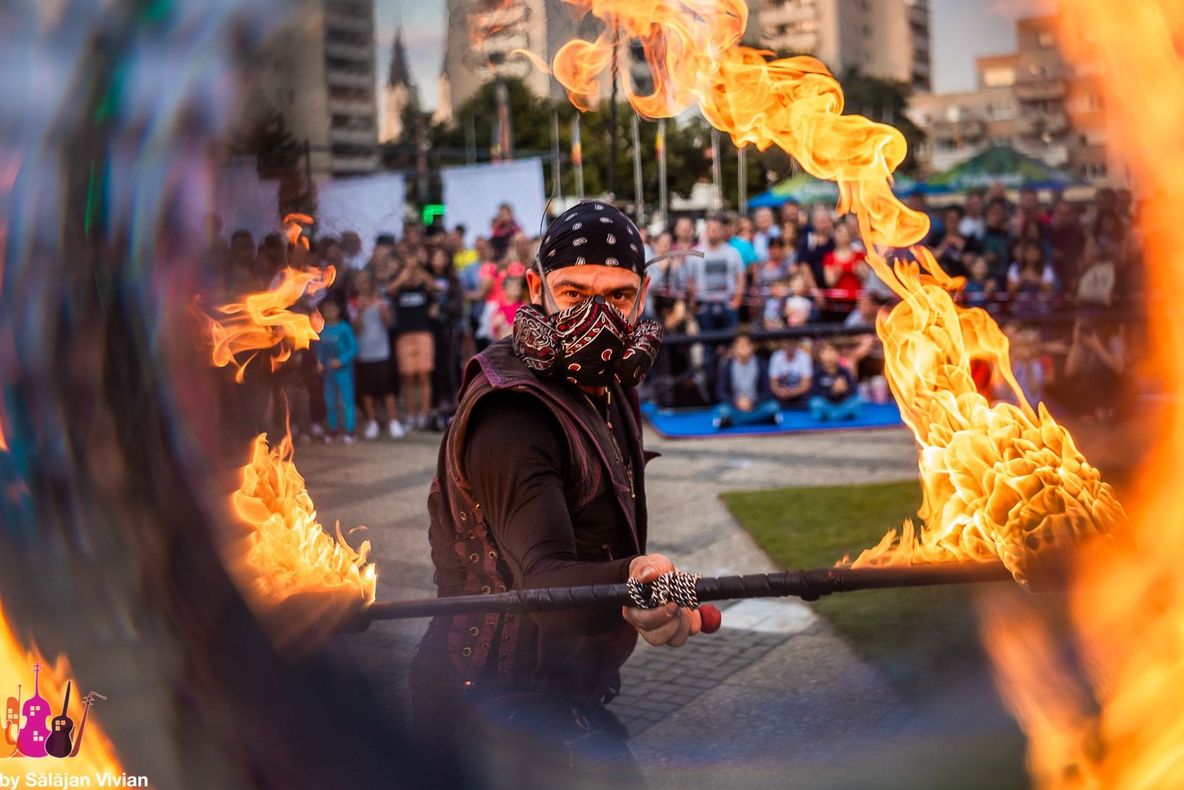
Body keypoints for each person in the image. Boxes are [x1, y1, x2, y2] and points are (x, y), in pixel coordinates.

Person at [411, 200, 700, 788]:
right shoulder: (513, 415)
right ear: (535, 287)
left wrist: (663, 595)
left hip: (564, 690)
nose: (598, 318)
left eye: (617, 297)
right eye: (573, 294)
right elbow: (543, 582)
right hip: (487, 702)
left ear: (642, 295)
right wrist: (651, 582)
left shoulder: (610, 383)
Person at [350, 270, 405, 440]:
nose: (363, 285)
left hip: (382, 352)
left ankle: (393, 421)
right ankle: (372, 422)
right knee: (367, 391)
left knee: (387, 389)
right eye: (360, 281)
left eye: (366, 281)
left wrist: (381, 309)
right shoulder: (353, 303)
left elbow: (389, 323)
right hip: (364, 353)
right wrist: (360, 310)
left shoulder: (382, 301)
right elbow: (355, 329)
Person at [389, 254, 437, 429]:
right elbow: (389, 290)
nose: (411, 271)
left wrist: (419, 272)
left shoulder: (424, 288)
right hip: (404, 335)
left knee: (424, 374)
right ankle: (410, 414)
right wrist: (404, 275)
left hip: (423, 334)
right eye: (408, 268)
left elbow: (435, 287)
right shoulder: (399, 289)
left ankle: (423, 415)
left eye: (414, 268)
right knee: (407, 376)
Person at [712, 332, 781, 429]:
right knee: (721, 410)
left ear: (752, 347)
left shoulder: (761, 363)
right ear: (734, 348)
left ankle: (735, 421)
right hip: (735, 406)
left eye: (746, 345)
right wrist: (736, 402)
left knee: (773, 407)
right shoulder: (727, 365)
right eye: (740, 346)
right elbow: (721, 391)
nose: (743, 349)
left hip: (756, 405)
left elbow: (767, 390)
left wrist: (754, 402)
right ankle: (758, 420)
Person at [315, 296, 358, 444]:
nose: (330, 312)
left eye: (332, 309)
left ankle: (349, 430)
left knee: (347, 400)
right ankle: (332, 429)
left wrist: (342, 360)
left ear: (339, 310)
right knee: (330, 400)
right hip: (328, 372)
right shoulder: (322, 329)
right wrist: (319, 362)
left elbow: (353, 348)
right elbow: (318, 348)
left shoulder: (345, 328)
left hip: (343, 371)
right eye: (326, 309)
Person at [428, 245, 464, 422]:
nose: (439, 260)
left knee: (450, 367)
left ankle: (453, 408)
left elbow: (458, 306)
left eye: (442, 257)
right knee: (434, 369)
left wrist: (441, 307)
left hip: (449, 329)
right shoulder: (427, 279)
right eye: (436, 257)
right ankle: (436, 408)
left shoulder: (454, 280)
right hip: (429, 329)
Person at [809, 339, 861, 421]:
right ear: (820, 354)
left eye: (833, 351)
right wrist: (832, 392)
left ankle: (835, 415)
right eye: (827, 351)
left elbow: (853, 390)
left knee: (858, 400)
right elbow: (813, 393)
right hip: (827, 404)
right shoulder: (817, 372)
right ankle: (837, 415)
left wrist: (844, 390)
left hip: (842, 404)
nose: (831, 354)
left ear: (838, 355)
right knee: (815, 403)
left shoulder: (844, 371)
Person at [821, 223, 867, 304]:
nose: (841, 237)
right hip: (837, 301)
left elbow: (865, 278)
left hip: (856, 300)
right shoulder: (829, 257)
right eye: (839, 233)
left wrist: (859, 272)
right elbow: (829, 282)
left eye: (845, 234)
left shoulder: (859, 255)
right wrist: (837, 273)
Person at [768, 336, 813, 408]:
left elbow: (806, 383)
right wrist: (779, 391)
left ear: (797, 344)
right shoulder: (776, 356)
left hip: (799, 394)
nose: (790, 346)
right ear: (783, 344)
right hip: (780, 394)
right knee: (770, 402)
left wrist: (793, 392)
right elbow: (773, 382)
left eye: (793, 343)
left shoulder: (805, 357)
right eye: (788, 343)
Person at [488, 275, 527, 341]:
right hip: (504, 341)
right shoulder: (499, 307)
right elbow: (494, 328)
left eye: (519, 286)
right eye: (515, 287)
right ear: (505, 289)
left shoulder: (523, 306)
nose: (518, 288)